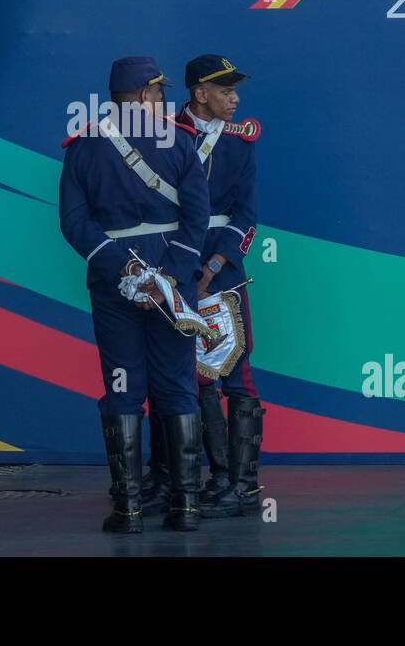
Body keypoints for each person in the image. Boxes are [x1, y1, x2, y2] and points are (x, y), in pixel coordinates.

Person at [58, 56, 211, 532]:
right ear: (144, 96)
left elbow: (74, 224)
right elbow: (197, 218)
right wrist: (167, 276)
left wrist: (124, 269)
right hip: (173, 280)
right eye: (159, 92)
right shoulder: (181, 142)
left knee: (123, 388)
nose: (163, 99)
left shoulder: (83, 146)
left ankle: (128, 510)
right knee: (178, 385)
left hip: (113, 284)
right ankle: (185, 507)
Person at [143, 54, 265, 518]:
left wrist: (215, 262)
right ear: (200, 94)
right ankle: (181, 481)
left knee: (234, 370)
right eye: (225, 90)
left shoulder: (241, 145)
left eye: (236, 91)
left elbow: (247, 215)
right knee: (176, 374)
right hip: (170, 269)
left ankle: (242, 485)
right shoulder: (161, 134)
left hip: (221, 271)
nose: (235, 99)